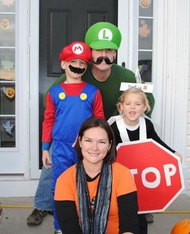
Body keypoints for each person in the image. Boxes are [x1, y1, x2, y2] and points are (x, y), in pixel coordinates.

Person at [27, 21, 155, 226]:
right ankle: (43, 204)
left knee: (129, 156)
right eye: (98, 50)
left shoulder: (127, 76)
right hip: (75, 130)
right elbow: (51, 102)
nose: (103, 55)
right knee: (52, 162)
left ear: (115, 54)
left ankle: (139, 205)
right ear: (90, 54)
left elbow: (148, 100)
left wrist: (128, 121)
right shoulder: (78, 70)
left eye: (109, 50)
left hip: (113, 126)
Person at [41, 41, 105, 234]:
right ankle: (61, 227)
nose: (77, 66)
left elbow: (99, 121)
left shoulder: (93, 92)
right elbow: (48, 120)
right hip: (60, 148)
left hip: (86, 149)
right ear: (63, 64)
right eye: (73, 61)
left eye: (82, 63)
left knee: (87, 185)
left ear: (86, 67)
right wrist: (45, 147)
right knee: (59, 186)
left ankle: (86, 223)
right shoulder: (55, 92)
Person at [108, 87, 183, 234]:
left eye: (137, 104)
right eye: (128, 103)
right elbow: (108, 148)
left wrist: (173, 153)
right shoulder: (114, 126)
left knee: (141, 211)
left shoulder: (147, 125)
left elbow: (157, 143)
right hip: (121, 176)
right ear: (121, 106)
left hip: (142, 177)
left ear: (144, 107)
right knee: (123, 211)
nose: (132, 107)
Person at [54, 117, 139, 234]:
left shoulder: (122, 174)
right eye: (88, 140)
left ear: (109, 145)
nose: (94, 148)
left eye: (102, 142)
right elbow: (69, 228)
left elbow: (129, 223)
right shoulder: (64, 180)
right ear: (80, 142)